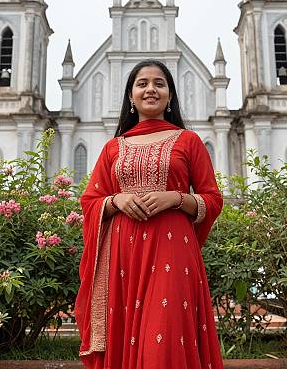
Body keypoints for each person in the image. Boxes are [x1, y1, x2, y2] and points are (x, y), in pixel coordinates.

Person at [75, 59, 224, 368]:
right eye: (142, 84)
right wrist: (116, 202)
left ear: (170, 95)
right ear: (131, 96)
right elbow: (90, 200)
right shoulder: (113, 148)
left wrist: (177, 198)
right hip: (123, 260)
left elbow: (212, 199)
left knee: (164, 340)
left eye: (159, 83)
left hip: (172, 254)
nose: (151, 89)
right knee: (128, 337)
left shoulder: (189, 141)